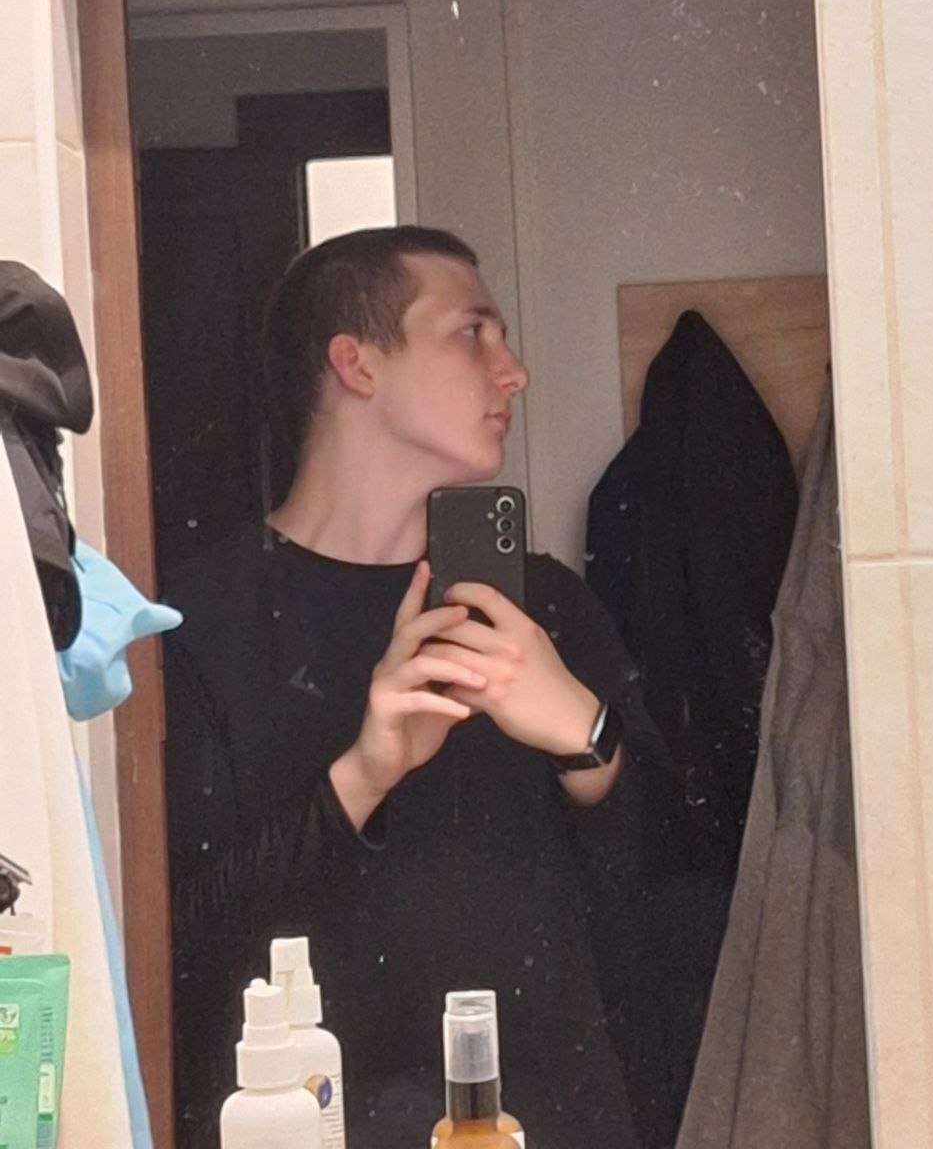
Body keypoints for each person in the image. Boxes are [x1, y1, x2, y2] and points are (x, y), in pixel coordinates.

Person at [162, 226, 662, 1149]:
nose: (514, 373)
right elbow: (173, 947)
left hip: (556, 1124)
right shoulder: (196, 625)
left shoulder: (543, 607)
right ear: (356, 364)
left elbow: (676, 893)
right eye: (473, 332)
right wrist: (364, 774)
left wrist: (584, 733)